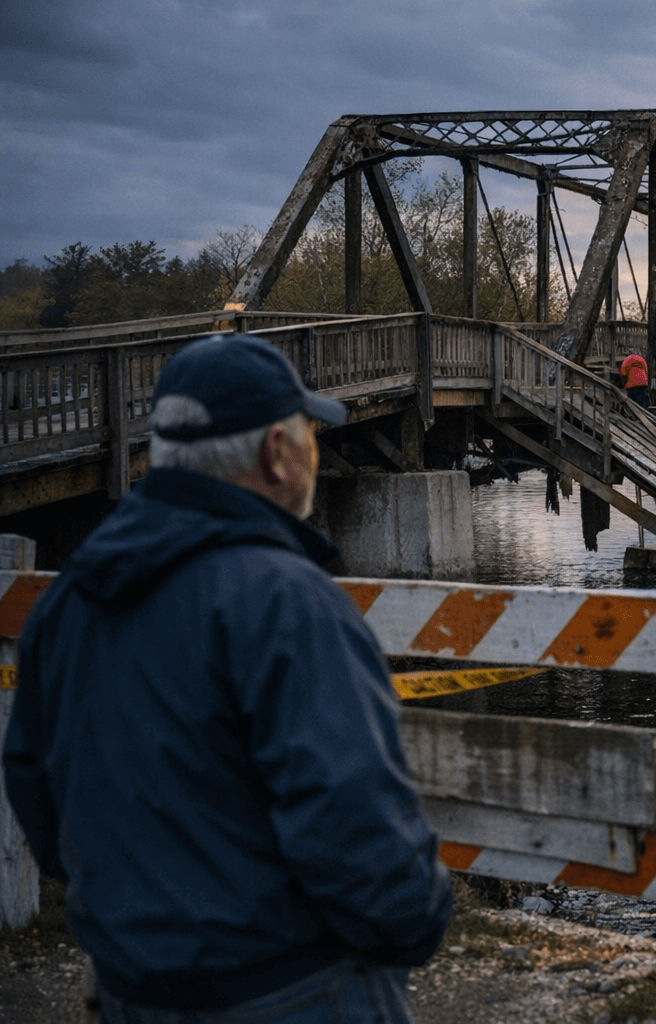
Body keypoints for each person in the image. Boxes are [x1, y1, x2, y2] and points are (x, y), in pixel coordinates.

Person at [3, 335, 453, 1023]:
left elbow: (35, 784)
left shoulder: (69, 600)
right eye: (307, 432)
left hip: (136, 986)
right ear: (277, 451)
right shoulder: (287, 601)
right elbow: (351, 819)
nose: (313, 448)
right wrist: (416, 923)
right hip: (292, 986)